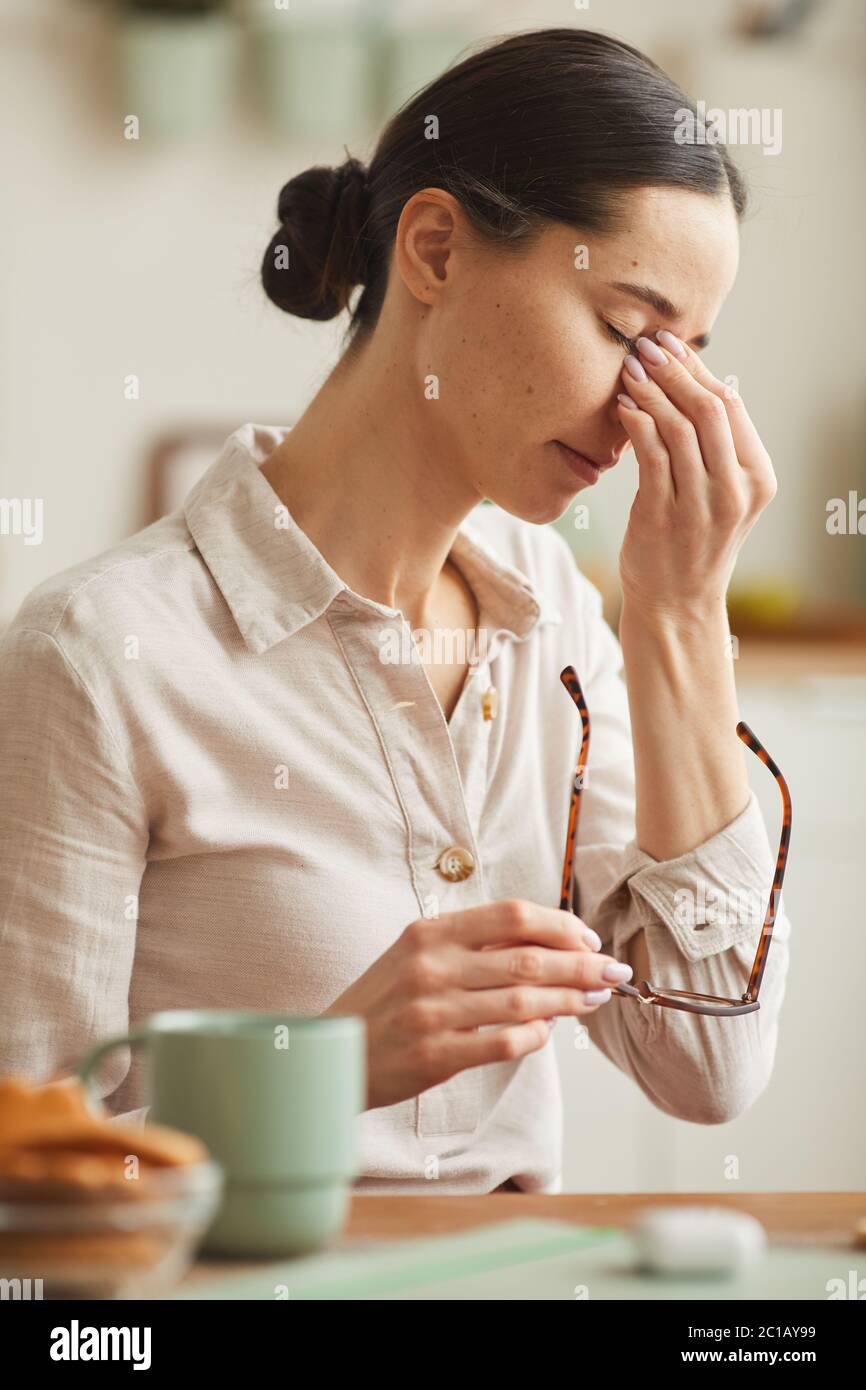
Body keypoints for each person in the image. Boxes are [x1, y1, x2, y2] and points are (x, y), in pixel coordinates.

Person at [0, 28, 789, 1193]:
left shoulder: (556, 625)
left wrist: (678, 616)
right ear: (433, 249)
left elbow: (704, 1064)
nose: (642, 413)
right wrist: (314, 1071)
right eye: (626, 332)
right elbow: (24, 1187)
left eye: (680, 358)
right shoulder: (99, 658)